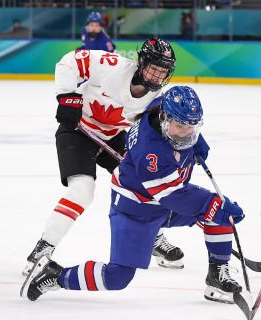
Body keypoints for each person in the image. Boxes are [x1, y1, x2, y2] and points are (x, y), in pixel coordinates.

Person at [21, 86, 245, 304]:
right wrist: (212, 206)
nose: (186, 133)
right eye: (180, 127)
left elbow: (175, 188)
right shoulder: (152, 154)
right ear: (165, 118)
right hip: (135, 209)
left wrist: (197, 143)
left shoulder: (160, 108)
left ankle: (217, 275)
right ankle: (55, 276)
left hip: (162, 200)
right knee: (117, 277)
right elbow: (173, 196)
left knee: (216, 210)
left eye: (192, 127)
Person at [24, 38, 188, 279]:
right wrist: (67, 96)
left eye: (163, 71)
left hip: (112, 137)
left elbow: (156, 133)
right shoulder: (112, 66)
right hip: (77, 131)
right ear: (141, 63)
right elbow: (69, 62)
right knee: (82, 191)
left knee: (146, 186)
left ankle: (152, 237)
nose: (156, 76)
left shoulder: (156, 101)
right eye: (153, 68)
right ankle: (42, 250)